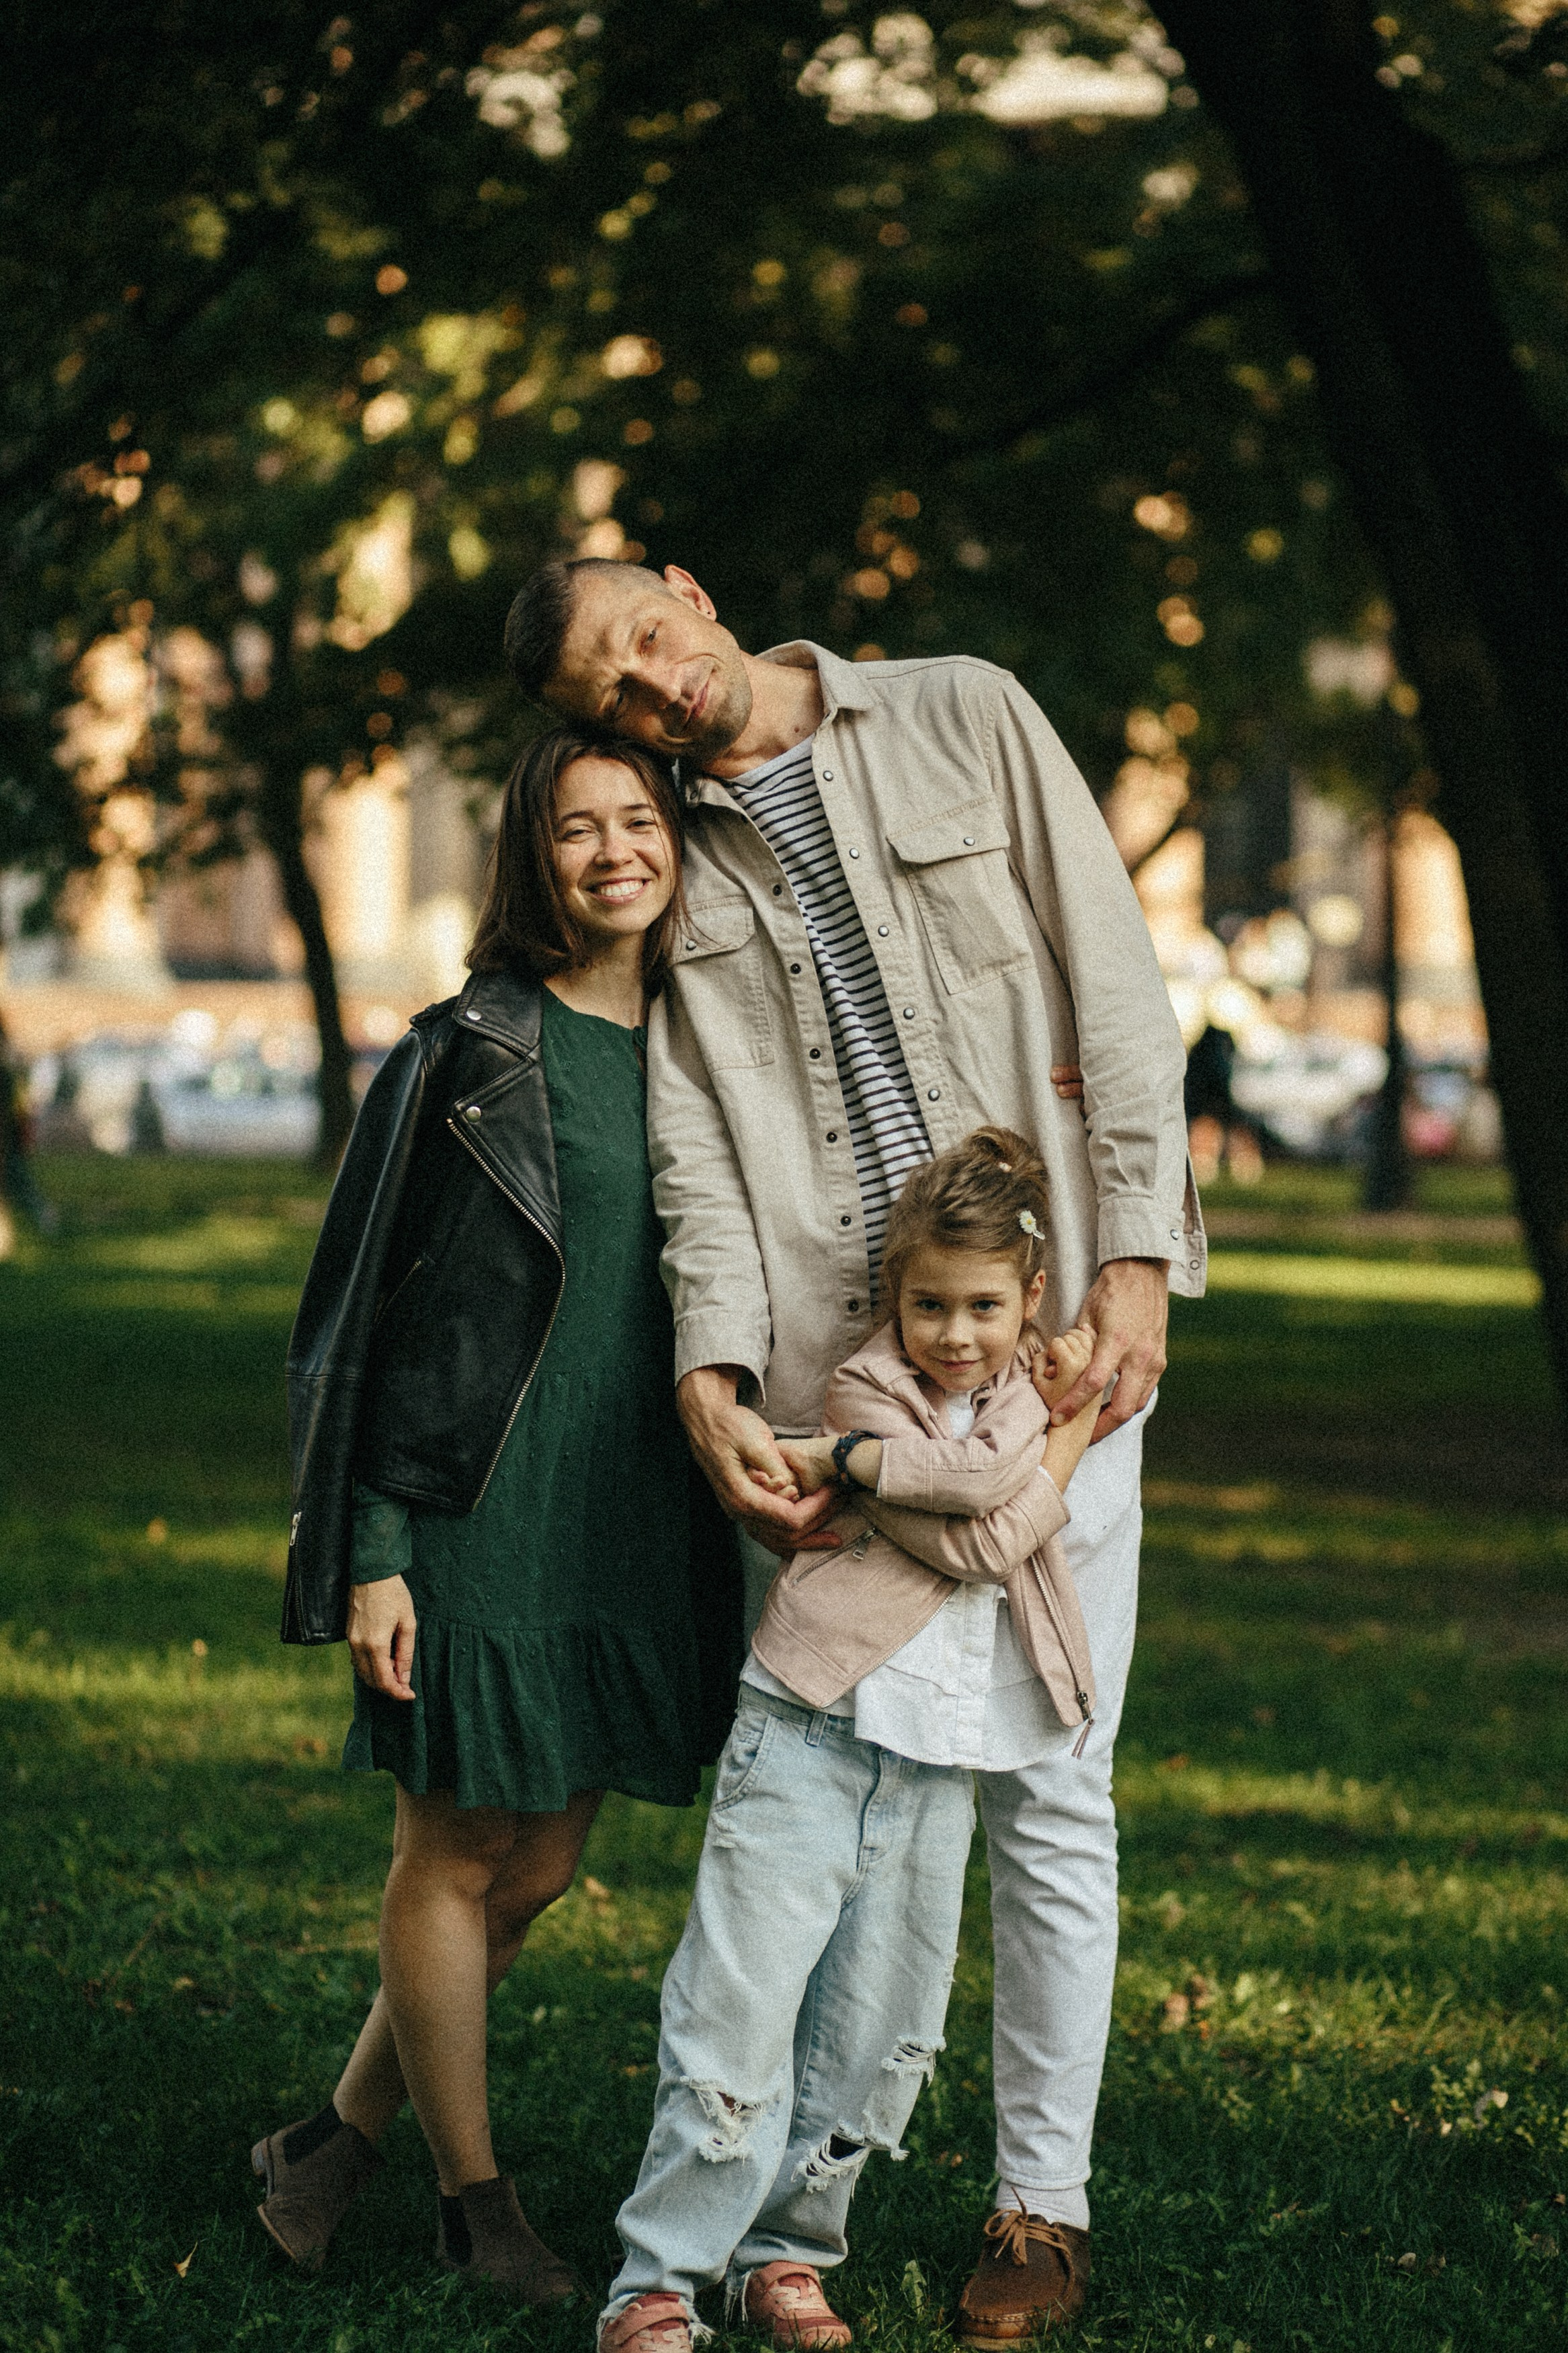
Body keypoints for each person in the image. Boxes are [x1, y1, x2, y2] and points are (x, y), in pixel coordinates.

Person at [505, 557, 1205, 2339]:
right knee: (854, 1807)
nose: (656, 688)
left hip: (1044, 1350)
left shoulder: (962, 709)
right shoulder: (683, 865)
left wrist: (1132, 1261)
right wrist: (712, 1383)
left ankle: (1035, 2206)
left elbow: (1112, 983)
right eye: (613, 694)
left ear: (687, 589)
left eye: (649, 638)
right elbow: (699, 1158)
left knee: (1052, 1776)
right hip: (842, 1410)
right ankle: (777, 2216)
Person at [253, 727, 741, 2298]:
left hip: (631, 1513)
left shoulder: (714, 1041)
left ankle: (328, 2145)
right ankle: (479, 2208)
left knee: (535, 1872)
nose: (615, 850)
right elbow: (369, 1314)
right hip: (475, 1504)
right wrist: (374, 1553)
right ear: (534, 858)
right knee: (456, 1849)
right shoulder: (472, 1048)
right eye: (578, 827)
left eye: (639, 819)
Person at [598, 1131, 1104, 2353]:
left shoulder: (1032, 1382)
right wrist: (1056, 1448)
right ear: (895, 1292)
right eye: (928, 1302)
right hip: (813, 1723)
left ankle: (789, 2252)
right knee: (741, 2000)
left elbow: (986, 1484)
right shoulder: (865, 1393)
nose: (954, 1334)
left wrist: (1044, 1413)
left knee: (879, 2027)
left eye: (984, 1307)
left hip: (940, 1749)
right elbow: (983, 1528)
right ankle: (659, 2280)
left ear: (1029, 1296)